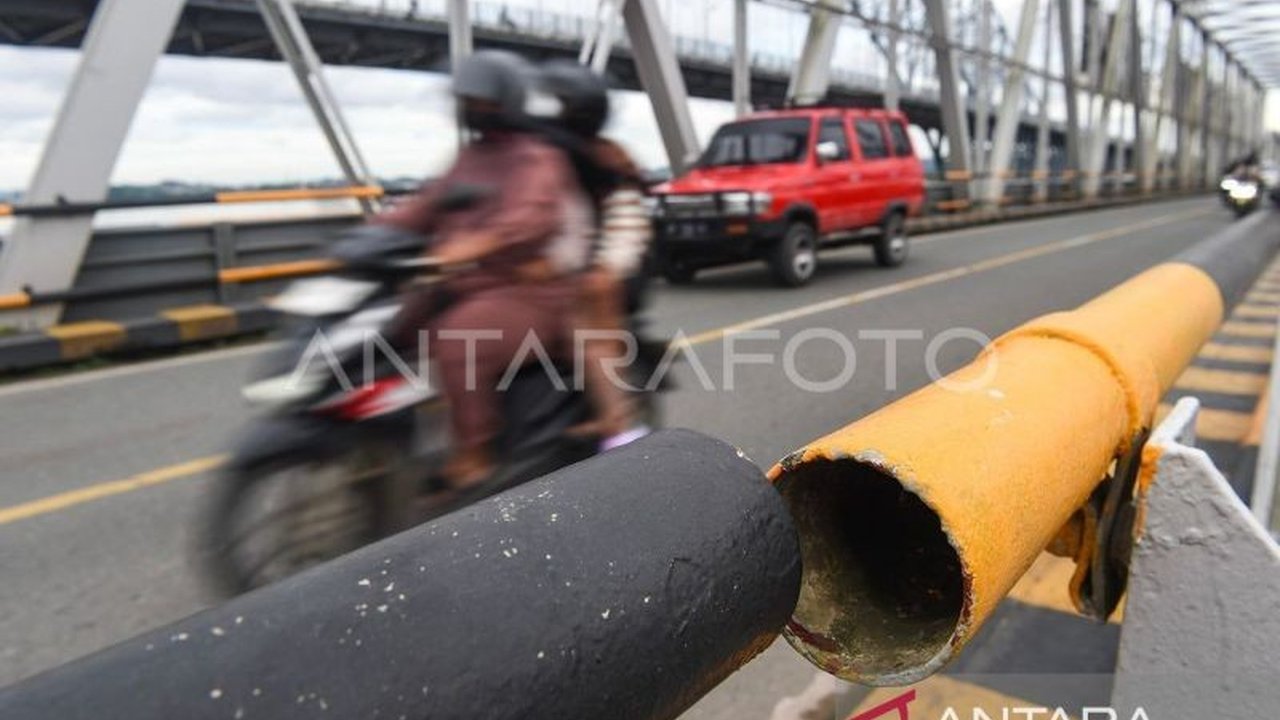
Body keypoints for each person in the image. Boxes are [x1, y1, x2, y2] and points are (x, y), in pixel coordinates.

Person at [377, 51, 585, 487]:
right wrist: (370, 236)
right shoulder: (470, 156)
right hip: (468, 283)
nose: (473, 109)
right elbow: (425, 204)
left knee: (458, 339)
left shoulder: (536, 157)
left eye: (483, 100)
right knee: (390, 331)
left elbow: (532, 216)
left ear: (505, 101)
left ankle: (475, 454)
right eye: (468, 100)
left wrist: (478, 242)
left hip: (528, 289)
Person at [538, 60, 654, 449]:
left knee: (586, 313)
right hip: (566, 265)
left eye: (558, 103)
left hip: (613, 268)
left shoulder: (607, 159)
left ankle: (616, 421)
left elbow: (625, 229)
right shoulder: (543, 153)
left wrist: (601, 269)